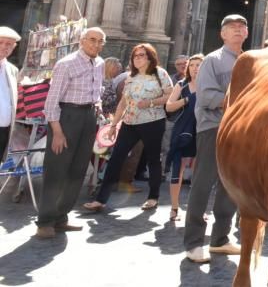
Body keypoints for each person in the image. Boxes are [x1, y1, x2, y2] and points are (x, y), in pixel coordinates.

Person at [184, 14, 247, 263]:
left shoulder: (248, 60)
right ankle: (193, 242)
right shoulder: (213, 60)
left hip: (239, 131)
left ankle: (220, 239)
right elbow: (207, 96)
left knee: (231, 186)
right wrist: (244, 103)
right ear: (222, 33)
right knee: (202, 184)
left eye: (242, 27)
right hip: (214, 128)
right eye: (232, 27)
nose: (238, 31)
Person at [83, 43, 173, 213]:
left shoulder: (160, 74)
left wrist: (150, 102)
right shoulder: (131, 76)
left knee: (153, 159)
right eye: (135, 56)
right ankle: (100, 200)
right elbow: (123, 102)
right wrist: (113, 125)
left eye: (141, 55)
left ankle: (153, 197)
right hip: (129, 123)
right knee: (116, 158)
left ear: (150, 57)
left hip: (153, 122)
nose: (137, 58)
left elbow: (170, 95)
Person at [35, 26, 106, 239]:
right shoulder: (66, 64)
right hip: (66, 117)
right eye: (92, 39)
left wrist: (98, 105)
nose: (96, 44)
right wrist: (57, 132)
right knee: (57, 169)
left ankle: (61, 217)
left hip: (88, 117)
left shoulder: (100, 63)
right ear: (81, 40)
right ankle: (45, 221)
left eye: (100, 41)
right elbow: (51, 102)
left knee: (78, 169)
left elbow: (97, 89)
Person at [164, 53, 202, 222]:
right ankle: (174, 207)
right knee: (177, 169)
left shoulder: (208, 86)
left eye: (199, 65)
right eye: (192, 65)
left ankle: (196, 209)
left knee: (199, 172)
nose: (195, 68)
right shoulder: (181, 84)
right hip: (182, 130)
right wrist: (187, 100)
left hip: (201, 130)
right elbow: (169, 106)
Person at [0, 26, 21, 166]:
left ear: (14, 47)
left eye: (9, 44)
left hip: (3, 130)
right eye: (1, 42)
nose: (4, 47)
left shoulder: (12, 70)